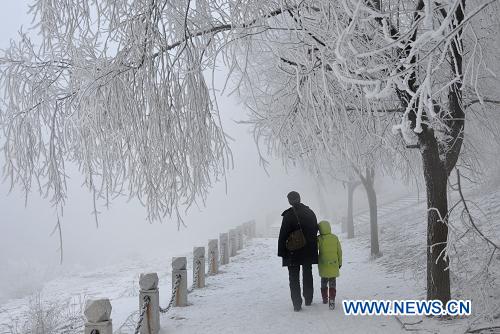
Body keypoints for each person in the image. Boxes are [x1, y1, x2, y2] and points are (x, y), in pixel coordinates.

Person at [278, 191, 319, 311]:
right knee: (307, 273)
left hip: (293, 251)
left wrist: (282, 252)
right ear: (300, 198)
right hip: (308, 250)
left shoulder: (288, 215)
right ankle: (308, 298)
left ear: (289, 201)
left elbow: (283, 234)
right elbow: (315, 229)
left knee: (293, 277)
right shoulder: (310, 212)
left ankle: (297, 304)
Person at [317, 220, 342, 310]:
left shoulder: (319, 239)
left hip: (323, 263)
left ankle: (324, 298)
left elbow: (315, 250)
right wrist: (340, 262)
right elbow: (339, 251)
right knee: (332, 283)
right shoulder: (334, 237)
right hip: (334, 264)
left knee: (323, 281)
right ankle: (332, 299)